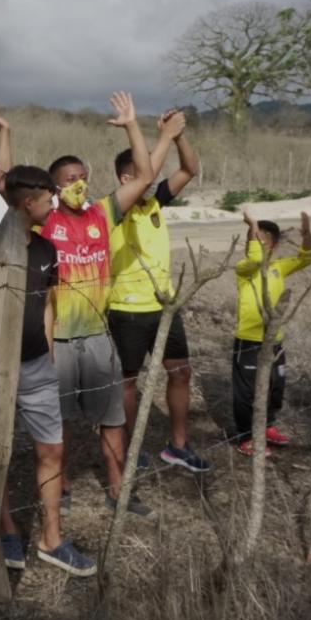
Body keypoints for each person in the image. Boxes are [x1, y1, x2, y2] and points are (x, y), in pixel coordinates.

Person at [0, 92, 157, 518]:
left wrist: (133, 125)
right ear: (52, 186)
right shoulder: (46, 220)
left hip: (99, 339)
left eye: (83, 176)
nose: (78, 183)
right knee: (57, 423)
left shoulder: (103, 212)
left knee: (113, 420)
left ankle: (120, 489)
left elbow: (144, 175)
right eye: (69, 178)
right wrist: (5, 133)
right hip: (58, 341)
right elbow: (6, 183)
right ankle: (59, 489)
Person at [0, 160, 97, 577]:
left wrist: (48, 352)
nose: (55, 204)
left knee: (52, 448)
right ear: (28, 203)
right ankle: (6, 531)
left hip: (38, 367)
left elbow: (45, 302)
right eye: (49, 199)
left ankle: (51, 539)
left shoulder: (46, 249)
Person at [107, 110, 212, 473]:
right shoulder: (115, 208)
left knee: (180, 372)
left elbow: (189, 170)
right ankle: (128, 450)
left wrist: (178, 135)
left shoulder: (155, 202)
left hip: (165, 306)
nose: (150, 181)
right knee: (128, 382)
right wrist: (163, 137)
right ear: (125, 178)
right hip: (127, 310)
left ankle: (178, 446)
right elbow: (149, 172)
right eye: (141, 174)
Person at [232, 211, 311, 455]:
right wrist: (253, 226)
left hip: (274, 341)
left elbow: (306, 257)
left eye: (261, 240)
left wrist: (307, 233)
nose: (256, 245)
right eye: (252, 240)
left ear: (274, 245)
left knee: (274, 386)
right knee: (245, 392)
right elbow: (256, 261)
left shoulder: (280, 267)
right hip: (248, 341)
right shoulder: (244, 268)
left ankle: (267, 426)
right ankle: (246, 437)